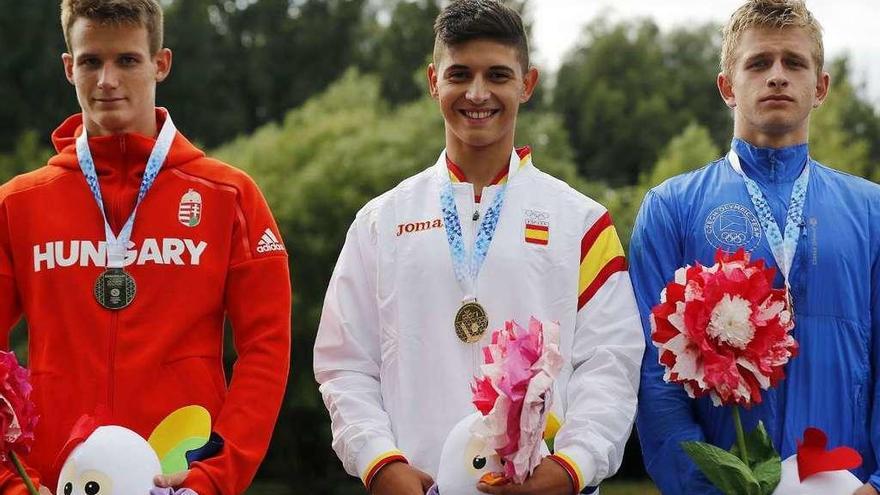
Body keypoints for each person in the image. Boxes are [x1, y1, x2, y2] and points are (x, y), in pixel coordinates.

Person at [313, 1, 644, 494]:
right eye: (460, 73)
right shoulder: (380, 222)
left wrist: (573, 464)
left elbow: (611, 361)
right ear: (433, 81)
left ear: (527, 84)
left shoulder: (583, 222)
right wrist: (378, 462)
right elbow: (345, 363)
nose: (477, 93)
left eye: (497, 75)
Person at [0, 1, 291, 493]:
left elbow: (267, 349)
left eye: (127, 60)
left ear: (161, 63)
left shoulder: (229, 196)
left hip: (179, 480)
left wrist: (216, 474)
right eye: (91, 61)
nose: (107, 80)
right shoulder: (18, 205)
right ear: (69, 67)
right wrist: (11, 479)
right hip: (55, 482)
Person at [630, 1, 880, 494]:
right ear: (727, 85)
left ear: (821, 87)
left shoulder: (872, 212)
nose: (778, 77)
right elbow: (652, 375)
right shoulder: (671, 208)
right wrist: (706, 487)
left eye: (795, 62)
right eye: (758, 63)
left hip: (848, 484)